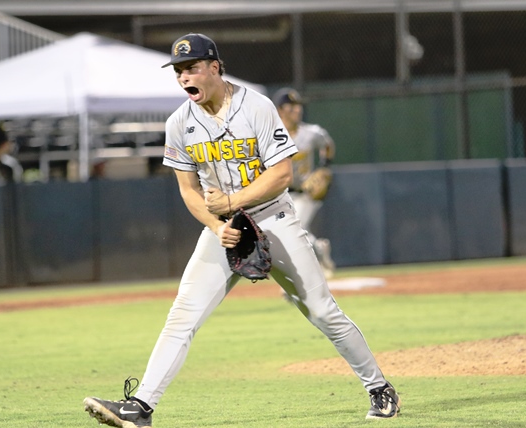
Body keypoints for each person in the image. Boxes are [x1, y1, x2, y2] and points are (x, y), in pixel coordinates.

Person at [82, 34, 400, 428]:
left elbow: (282, 174)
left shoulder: (257, 107)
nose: (184, 77)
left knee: (321, 311)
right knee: (182, 314)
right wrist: (217, 226)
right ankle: (141, 407)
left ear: (215, 67)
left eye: (192, 68)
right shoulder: (179, 122)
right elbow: (188, 189)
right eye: (179, 71)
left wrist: (230, 205)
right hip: (224, 229)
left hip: (273, 219)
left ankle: (379, 387)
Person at [273, 87, 336, 278]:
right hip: (280, 194)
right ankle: (319, 248)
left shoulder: (311, 133)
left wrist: (324, 166)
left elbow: (328, 144)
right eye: (291, 107)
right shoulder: (270, 135)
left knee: (295, 227)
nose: (297, 110)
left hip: (305, 192)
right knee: (287, 232)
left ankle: (297, 275)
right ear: (279, 110)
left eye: (298, 107)